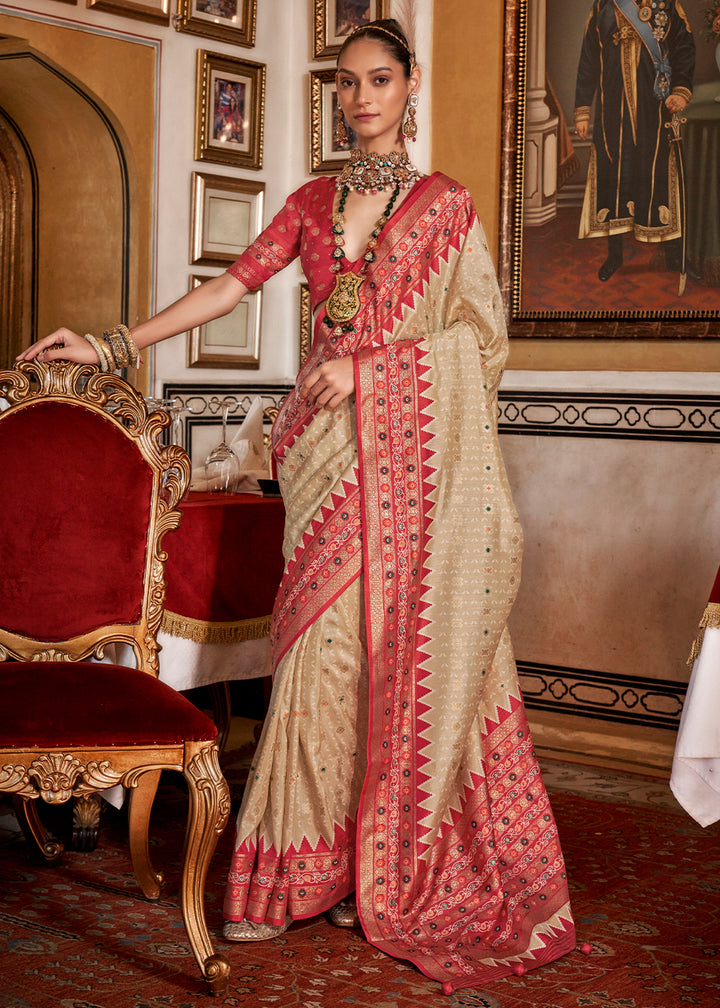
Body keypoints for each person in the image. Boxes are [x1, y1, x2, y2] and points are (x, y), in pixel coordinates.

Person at [19, 18, 577, 993]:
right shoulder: (313, 203)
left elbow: (481, 342)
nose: (361, 97)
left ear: (408, 86)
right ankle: (302, 870)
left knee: (402, 657)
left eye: (378, 79)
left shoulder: (446, 209)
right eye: (346, 82)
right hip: (322, 465)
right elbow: (228, 288)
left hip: (417, 472)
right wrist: (110, 346)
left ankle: (394, 867)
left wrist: (376, 377)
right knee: (317, 657)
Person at [574, 0, 695, 282]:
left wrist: (681, 91)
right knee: (615, 178)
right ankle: (614, 256)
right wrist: (582, 110)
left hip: (657, 107)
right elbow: (589, 58)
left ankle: (674, 255)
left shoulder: (668, 4)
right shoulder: (605, 5)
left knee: (660, 175)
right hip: (612, 111)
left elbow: (685, 48)